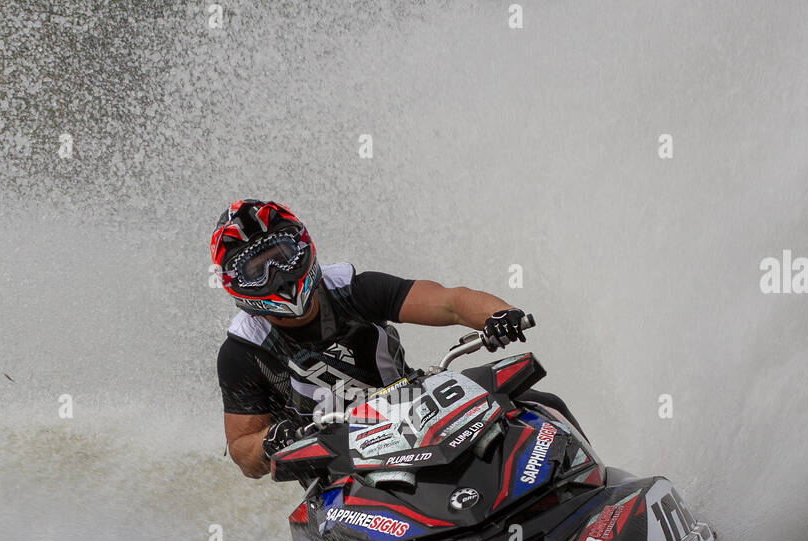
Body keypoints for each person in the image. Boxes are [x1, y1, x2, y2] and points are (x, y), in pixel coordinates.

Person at [212, 199, 575, 478]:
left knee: (538, 402)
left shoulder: (353, 289)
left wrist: (497, 315)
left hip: (419, 413)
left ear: (302, 247)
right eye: (258, 269)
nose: (277, 273)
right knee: (324, 526)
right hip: (337, 460)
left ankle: (589, 491)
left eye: (282, 256)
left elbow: (450, 304)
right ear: (236, 283)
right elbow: (243, 449)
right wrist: (272, 442)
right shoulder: (243, 351)